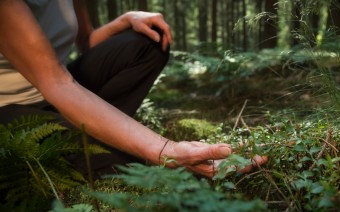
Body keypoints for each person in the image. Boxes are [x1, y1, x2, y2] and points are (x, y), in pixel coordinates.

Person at [0, 0, 266, 178]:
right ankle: (101, 140)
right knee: (120, 158)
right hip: (14, 108)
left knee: (149, 40)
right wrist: (164, 150)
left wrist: (126, 20)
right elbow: (54, 81)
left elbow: (86, 43)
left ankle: (95, 129)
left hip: (64, 87)